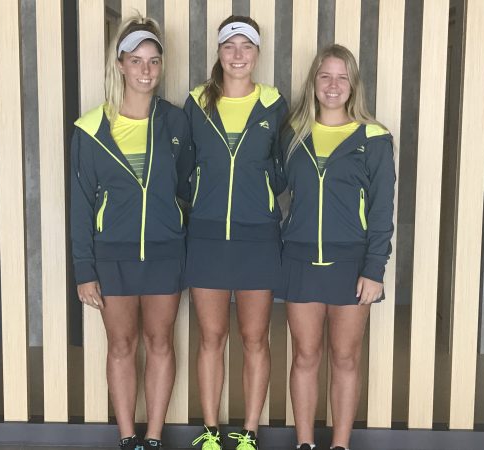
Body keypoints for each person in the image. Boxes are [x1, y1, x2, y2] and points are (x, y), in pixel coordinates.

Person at [70, 16, 194, 450]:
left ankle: (154, 437)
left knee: (160, 342)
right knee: (121, 345)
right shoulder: (90, 129)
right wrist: (85, 269)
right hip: (112, 255)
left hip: (165, 252)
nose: (146, 69)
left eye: (153, 61)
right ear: (120, 64)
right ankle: (127, 438)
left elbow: (187, 187)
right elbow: (81, 204)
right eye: (136, 60)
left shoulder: (175, 122)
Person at [278, 44, 396, 450]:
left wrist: (374, 269)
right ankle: (305, 443)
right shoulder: (293, 134)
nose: (333, 85)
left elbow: (381, 210)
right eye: (325, 76)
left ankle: (340, 444)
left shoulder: (374, 138)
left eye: (342, 77)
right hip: (299, 260)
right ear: (313, 82)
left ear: (353, 85)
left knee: (345, 358)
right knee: (305, 356)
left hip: (352, 265)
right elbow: (269, 187)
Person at [183, 15, 288, 450]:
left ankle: (249, 432)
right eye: (230, 46)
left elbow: (283, 169)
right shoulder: (196, 103)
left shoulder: (274, 105)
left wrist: (259, 189)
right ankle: (210, 431)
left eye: (246, 46)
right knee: (211, 338)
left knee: (255, 338)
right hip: (206, 237)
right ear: (219, 53)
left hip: (257, 238)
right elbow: (183, 165)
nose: (238, 55)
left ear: (258, 54)